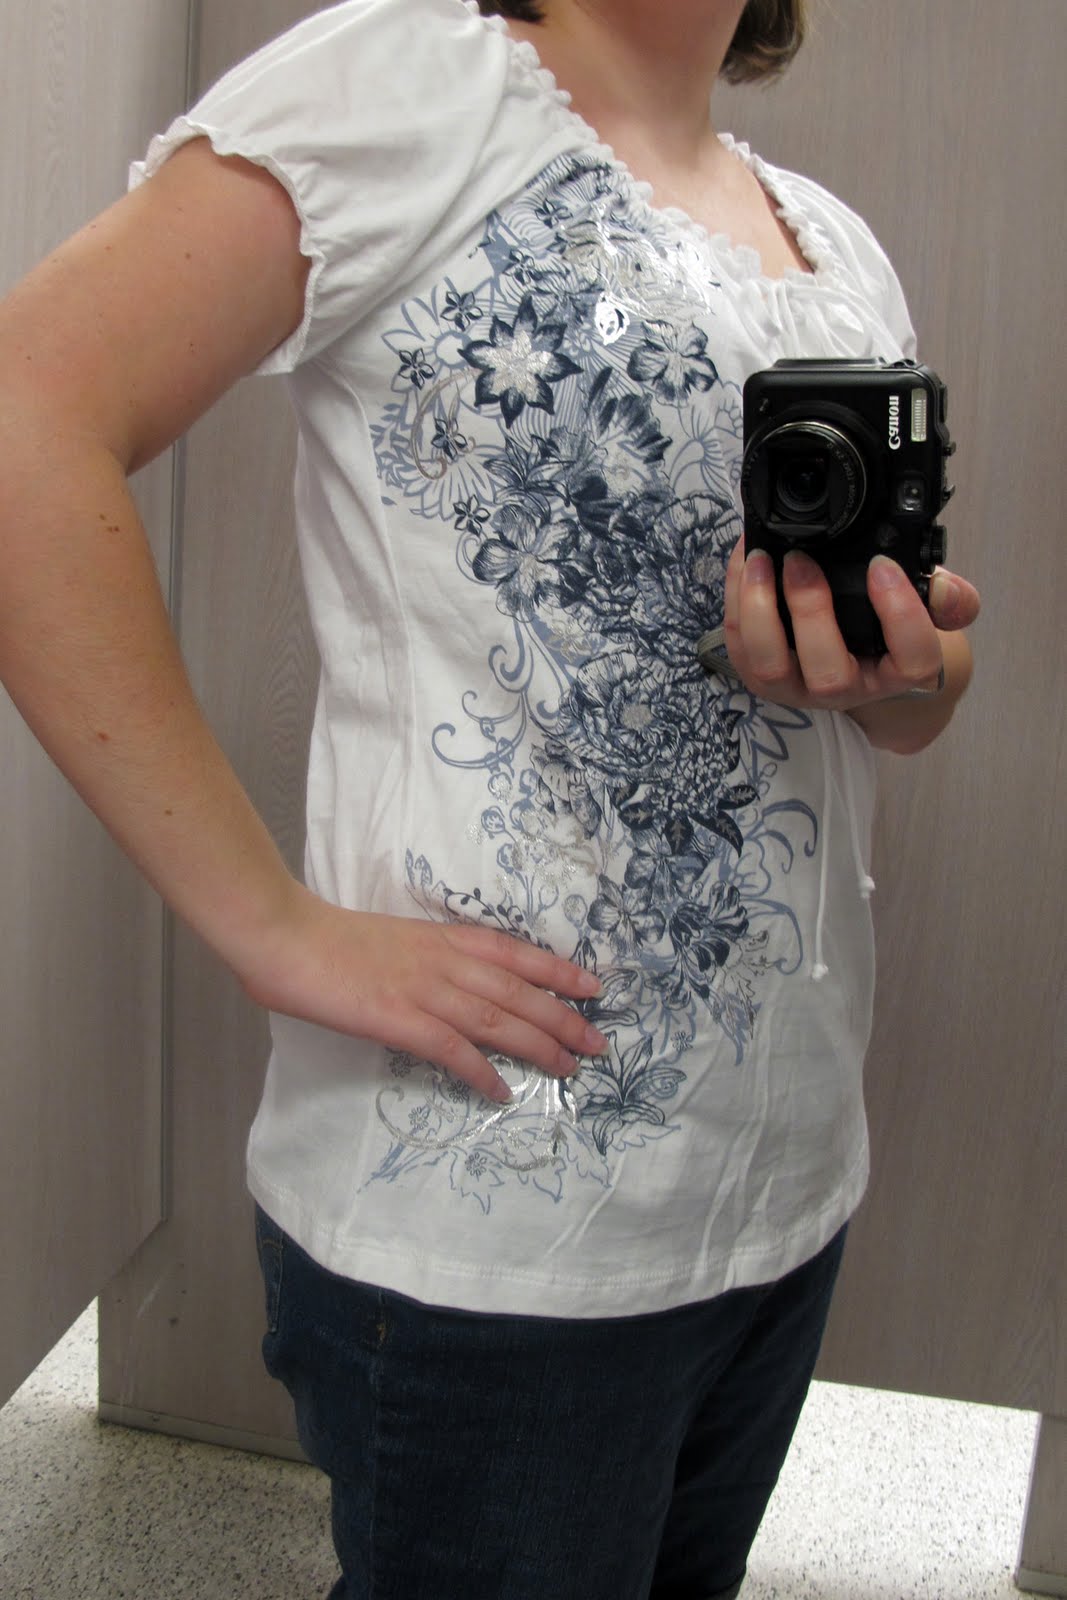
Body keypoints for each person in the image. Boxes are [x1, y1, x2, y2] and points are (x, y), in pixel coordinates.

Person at [0, 0, 979, 1595]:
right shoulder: (411, 86)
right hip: (492, 1221)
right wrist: (272, 927)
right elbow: (23, 418)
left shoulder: (831, 242)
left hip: (781, 1186)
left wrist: (901, 669)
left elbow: (910, 711)